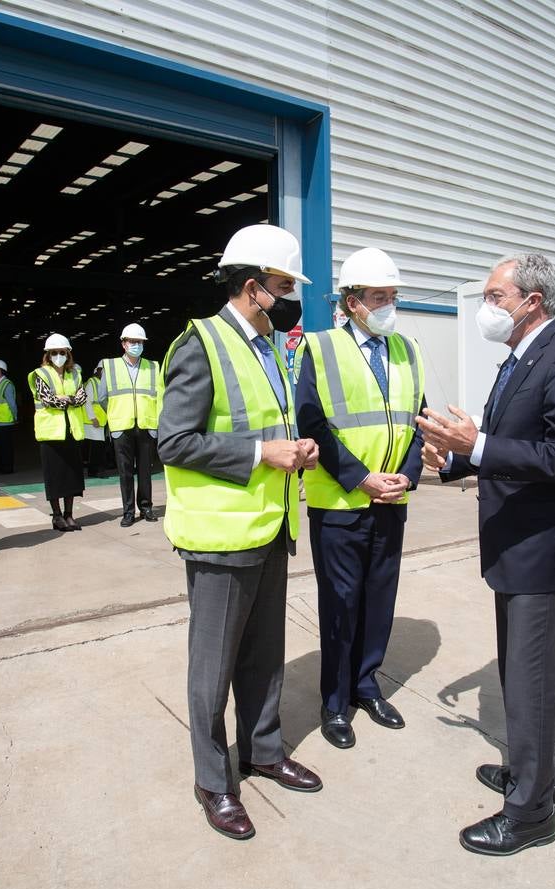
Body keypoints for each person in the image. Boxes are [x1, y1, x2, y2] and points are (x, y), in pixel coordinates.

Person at [417, 252, 555, 856]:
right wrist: (454, 458)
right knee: (524, 678)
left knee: (528, 681)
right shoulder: (519, 360)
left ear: (533, 301)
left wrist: (479, 443)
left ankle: (529, 816)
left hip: (547, 552)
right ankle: (541, 780)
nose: (486, 308)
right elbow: (501, 450)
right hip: (516, 548)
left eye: (495, 297)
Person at [159, 223, 323, 840]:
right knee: (214, 666)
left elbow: (266, 424)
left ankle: (263, 749)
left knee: (264, 655)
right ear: (252, 288)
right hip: (220, 536)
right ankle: (213, 780)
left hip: (270, 526)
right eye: (284, 287)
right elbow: (173, 440)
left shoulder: (270, 348)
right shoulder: (200, 345)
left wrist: (294, 449)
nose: (290, 300)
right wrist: (260, 455)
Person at [295, 248, 426, 749]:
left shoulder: (405, 349)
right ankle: (334, 701)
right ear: (352, 303)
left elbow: (418, 418)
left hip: (392, 500)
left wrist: (408, 476)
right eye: (378, 297)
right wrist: (361, 477)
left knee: (379, 599)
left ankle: (366, 684)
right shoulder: (320, 347)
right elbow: (313, 423)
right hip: (341, 504)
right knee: (341, 605)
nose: (389, 306)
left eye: (393, 296)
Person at [97, 323, 161, 526]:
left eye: (140, 342)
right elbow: (102, 397)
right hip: (121, 425)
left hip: (145, 424)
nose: (136, 345)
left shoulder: (153, 367)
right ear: (123, 344)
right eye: (132, 341)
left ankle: (146, 507)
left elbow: (160, 396)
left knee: (145, 470)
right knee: (124, 472)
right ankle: (128, 511)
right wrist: (116, 413)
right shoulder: (110, 365)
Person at [28, 334, 89, 531]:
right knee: (54, 476)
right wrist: (68, 399)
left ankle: (69, 514)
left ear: (68, 354)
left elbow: (81, 398)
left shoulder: (76, 374)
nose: (58, 355)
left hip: (71, 431)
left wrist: (65, 398)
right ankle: (56, 516)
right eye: (54, 352)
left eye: (62, 352)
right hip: (51, 433)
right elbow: (48, 400)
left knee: (72, 475)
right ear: (47, 355)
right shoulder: (40, 374)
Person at [82, 363, 109, 478]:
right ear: (97, 370)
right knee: (96, 448)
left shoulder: (102, 383)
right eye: (101, 370)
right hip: (93, 421)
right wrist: (93, 418)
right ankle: (94, 471)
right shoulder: (92, 382)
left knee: (100, 447)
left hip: (101, 421)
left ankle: (97, 469)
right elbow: (87, 402)